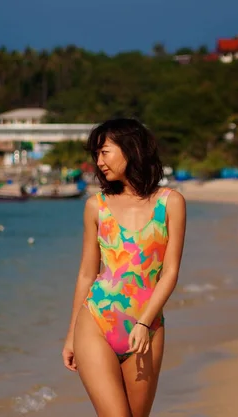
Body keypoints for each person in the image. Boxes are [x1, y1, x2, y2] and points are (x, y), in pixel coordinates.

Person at [62, 118, 187, 417]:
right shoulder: (97, 206)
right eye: (96, 154)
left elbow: (169, 272)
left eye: (105, 152)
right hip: (95, 321)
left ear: (130, 149)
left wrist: (144, 323)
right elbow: (86, 273)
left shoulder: (170, 203)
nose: (98, 162)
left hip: (147, 326)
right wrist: (70, 336)